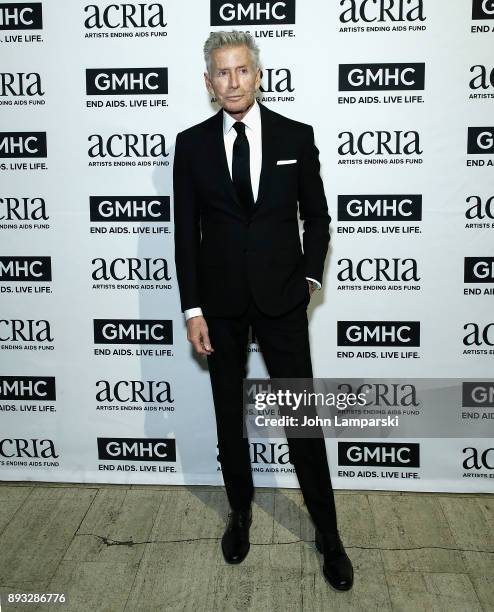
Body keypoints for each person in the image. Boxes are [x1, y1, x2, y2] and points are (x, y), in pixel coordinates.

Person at [173, 30, 353, 591]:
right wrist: (193, 309)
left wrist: (306, 278)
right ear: (209, 82)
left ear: (258, 74)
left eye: (242, 70)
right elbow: (185, 233)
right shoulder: (192, 144)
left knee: (302, 419)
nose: (233, 82)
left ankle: (328, 533)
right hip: (220, 306)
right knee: (229, 414)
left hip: (281, 300)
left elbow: (319, 217)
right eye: (222, 73)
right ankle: (241, 513)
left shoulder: (296, 136)